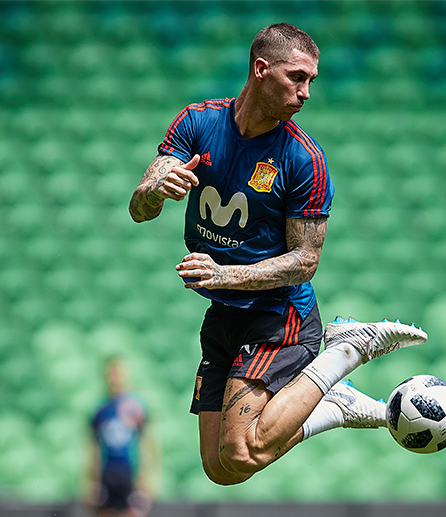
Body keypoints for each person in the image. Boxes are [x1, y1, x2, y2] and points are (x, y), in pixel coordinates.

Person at [128, 23, 427, 486]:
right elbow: (139, 207)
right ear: (261, 69)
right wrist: (155, 188)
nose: (306, 92)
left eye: (311, 81)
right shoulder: (198, 122)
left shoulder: (304, 158)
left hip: (280, 315)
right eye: (297, 77)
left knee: (244, 452)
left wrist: (224, 275)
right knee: (220, 469)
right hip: (226, 313)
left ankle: (344, 353)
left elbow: (305, 260)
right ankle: (334, 405)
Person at [86, 357, 158, 516]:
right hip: (108, 473)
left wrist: (146, 477)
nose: (114, 378)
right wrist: (92, 481)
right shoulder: (100, 411)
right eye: (111, 374)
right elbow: (95, 447)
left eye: (118, 374)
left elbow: (145, 444)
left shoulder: (136, 408)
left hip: (130, 473)